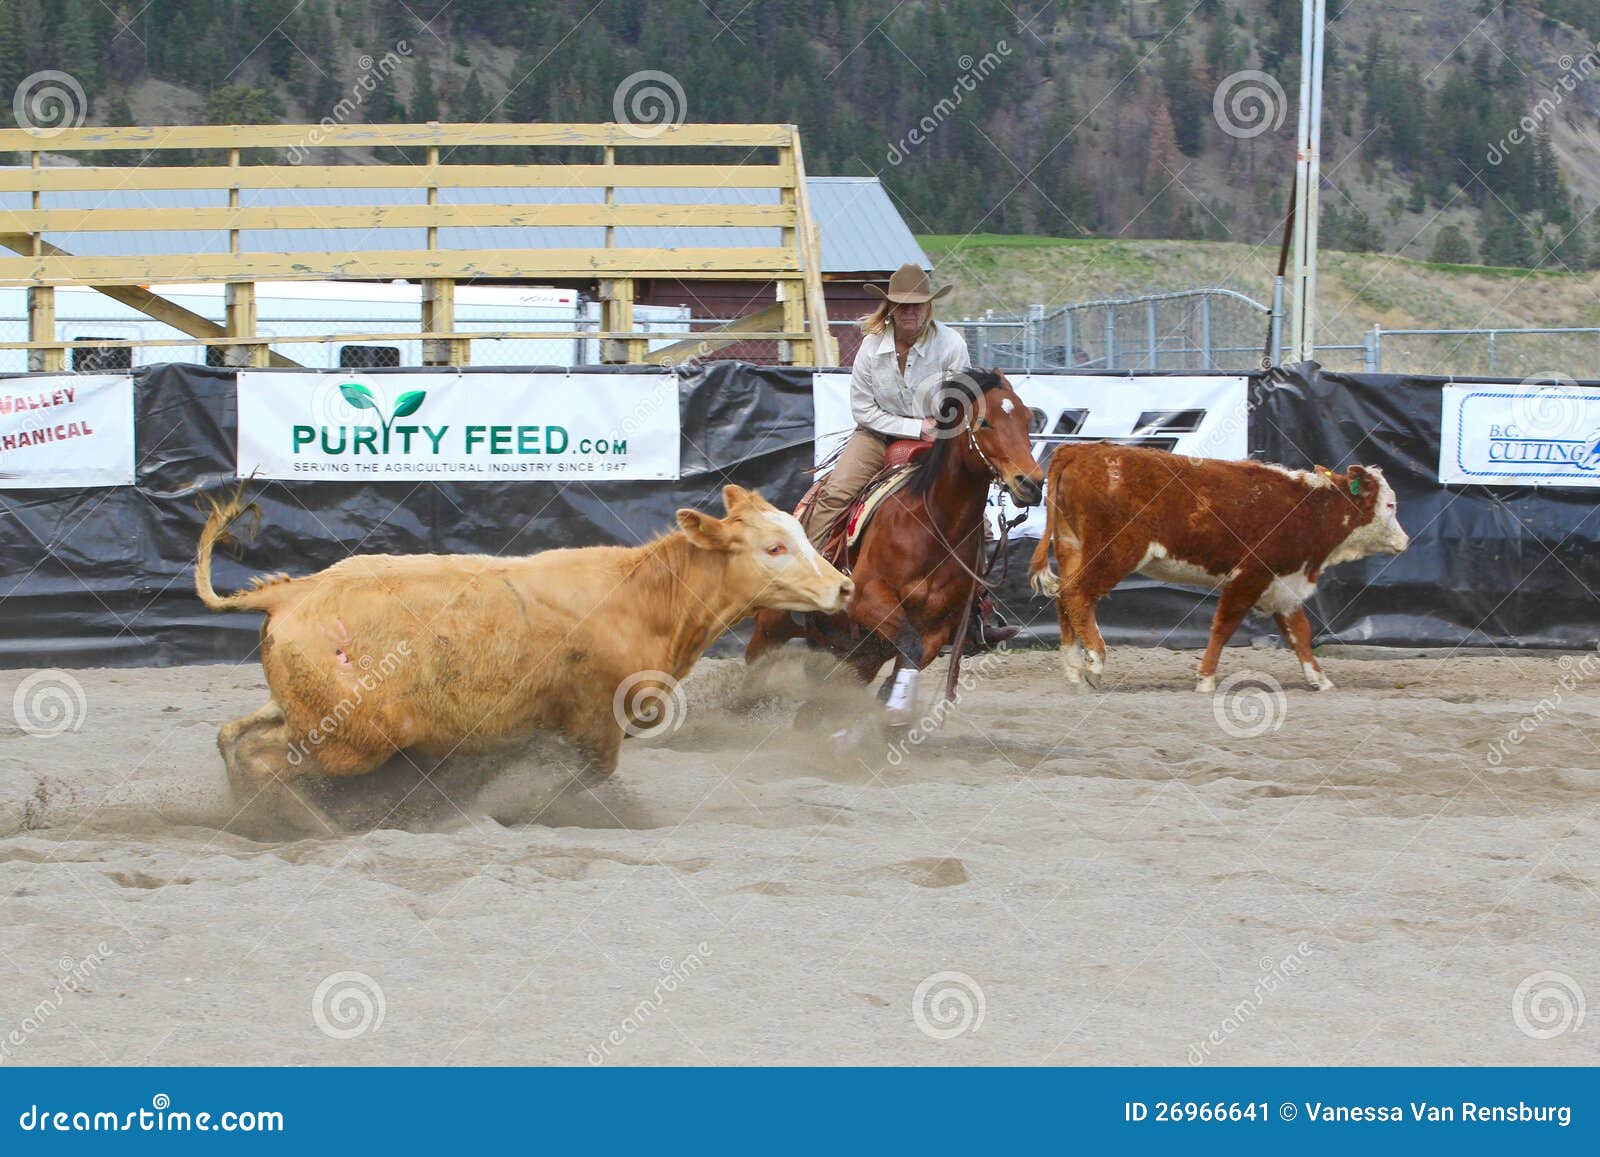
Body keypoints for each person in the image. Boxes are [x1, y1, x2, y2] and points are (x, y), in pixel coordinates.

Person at [805, 263, 969, 550]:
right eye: (902, 305)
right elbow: (863, 410)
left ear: (928, 307)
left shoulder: (951, 344)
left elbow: (961, 401)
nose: (910, 311)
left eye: (917, 305)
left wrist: (940, 427)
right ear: (890, 307)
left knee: (967, 501)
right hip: (876, 435)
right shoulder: (871, 347)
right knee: (835, 494)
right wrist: (916, 428)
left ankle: (977, 582)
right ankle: (812, 568)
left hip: (939, 437)